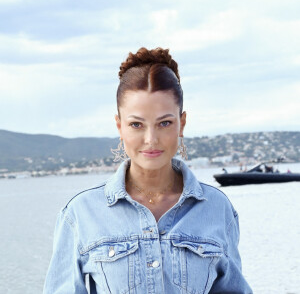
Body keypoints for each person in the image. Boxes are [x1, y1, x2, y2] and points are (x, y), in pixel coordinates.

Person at [43, 47, 252, 293]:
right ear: (120, 126)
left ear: (181, 123)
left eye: (164, 123)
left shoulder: (217, 208)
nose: (151, 139)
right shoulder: (80, 213)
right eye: (136, 124)